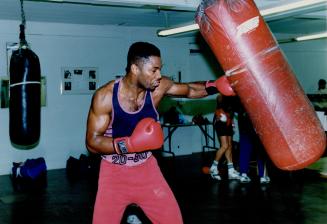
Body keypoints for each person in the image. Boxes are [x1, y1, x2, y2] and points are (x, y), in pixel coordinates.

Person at [85, 41, 235, 224]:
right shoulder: (105, 96)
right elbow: (92, 143)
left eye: (160, 69)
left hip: (147, 170)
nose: (159, 75)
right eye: (153, 70)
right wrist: (130, 144)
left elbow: (189, 90)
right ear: (135, 69)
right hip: (114, 174)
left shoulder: (158, 88)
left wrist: (215, 86)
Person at [237, 103, 270, 184]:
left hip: (244, 131)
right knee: (260, 153)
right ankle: (263, 176)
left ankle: (243, 174)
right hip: (255, 132)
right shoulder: (257, 103)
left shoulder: (241, 103)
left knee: (244, 152)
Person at [209, 95, 239, 180]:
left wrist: (232, 122)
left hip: (228, 122)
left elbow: (232, 110)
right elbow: (219, 104)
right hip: (221, 122)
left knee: (229, 146)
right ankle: (213, 167)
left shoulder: (233, 97)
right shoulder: (221, 96)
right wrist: (220, 114)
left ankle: (231, 171)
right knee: (225, 146)